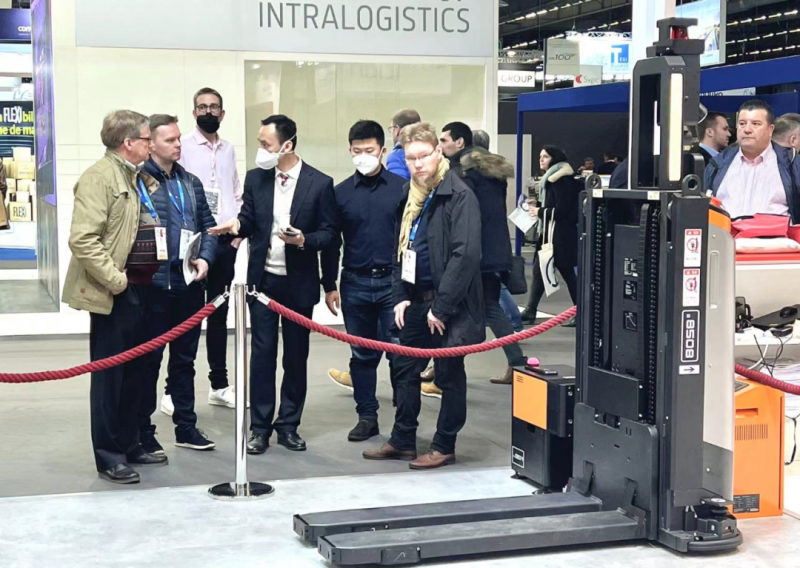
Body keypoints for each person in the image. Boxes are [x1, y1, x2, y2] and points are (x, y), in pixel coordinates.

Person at [210, 115, 336, 454]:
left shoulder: (320, 183)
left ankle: (289, 425)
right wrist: (236, 225)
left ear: (287, 145)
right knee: (262, 356)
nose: (261, 149)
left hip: (299, 284)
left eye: (266, 144)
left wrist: (304, 241)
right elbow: (250, 220)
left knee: (295, 357)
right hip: (261, 283)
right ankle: (260, 428)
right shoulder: (256, 178)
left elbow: (329, 234)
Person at [362, 122, 483, 470]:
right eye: (411, 158)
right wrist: (400, 294)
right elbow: (401, 249)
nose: (417, 164)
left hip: (450, 304)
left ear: (438, 152)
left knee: (448, 376)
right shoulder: (410, 194)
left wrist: (441, 307)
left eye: (424, 156)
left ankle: (444, 445)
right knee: (404, 369)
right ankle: (403, 440)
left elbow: (465, 255)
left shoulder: (459, 195)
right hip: (415, 299)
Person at [63, 110, 166, 484]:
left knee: (137, 373)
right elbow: (83, 240)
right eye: (146, 138)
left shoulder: (136, 176)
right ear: (129, 142)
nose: (151, 144)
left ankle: (130, 443)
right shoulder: (99, 178)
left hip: (143, 287)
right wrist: (116, 281)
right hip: (117, 292)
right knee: (111, 377)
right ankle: (109, 455)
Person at [322, 120, 406, 441]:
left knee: (399, 353)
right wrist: (329, 284)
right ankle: (367, 417)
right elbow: (332, 242)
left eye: (369, 150)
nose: (363, 156)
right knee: (361, 354)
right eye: (357, 151)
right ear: (349, 151)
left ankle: (404, 420)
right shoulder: (340, 193)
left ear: (382, 150)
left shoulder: (402, 189)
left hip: (393, 284)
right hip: (354, 282)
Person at [140, 114, 218, 453]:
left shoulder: (191, 183)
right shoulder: (139, 182)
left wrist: (206, 258)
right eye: (169, 140)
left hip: (188, 285)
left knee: (185, 362)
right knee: (149, 362)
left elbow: (209, 227)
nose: (177, 144)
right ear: (151, 144)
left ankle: (186, 427)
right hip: (154, 287)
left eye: (178, 139)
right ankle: (143, 431)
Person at [176, 87, 243, 413]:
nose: (208, 112)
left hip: (226, 243)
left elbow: (235, 191)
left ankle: (219, 385)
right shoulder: (183, 147)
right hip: (195, 243)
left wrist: (238, 231)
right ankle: (174, 391)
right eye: (202, 107)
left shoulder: (228, 149)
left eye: (214, 107)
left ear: (222, 113)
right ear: (194, 113)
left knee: (219, 315)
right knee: (187, 317)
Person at [449, 130, 527, 384]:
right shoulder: (495, 174)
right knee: (487, 306)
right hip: (496, 249)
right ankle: (516, 361)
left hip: (476, 251)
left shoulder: (467, 174)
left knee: (472, 307)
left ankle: (444, 366)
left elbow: (466, 214)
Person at [706, 99, 800, 222]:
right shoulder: (718, 164)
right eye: (742, 123)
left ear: (770, 130)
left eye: (755, 124)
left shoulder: (792, 164)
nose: (747, 129)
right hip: (726, 233)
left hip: (775, 234)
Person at [520, 146, 581, 325]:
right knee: (541, 270)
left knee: (565, 272)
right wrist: (539, 205)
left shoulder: (560, 180)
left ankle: (581, 311)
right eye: (541, 156)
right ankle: (531, 309)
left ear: (555, 158)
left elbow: (563, 210)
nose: (541, 159)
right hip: (551, 233)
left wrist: (539, 211)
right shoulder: (554, 179)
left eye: (545, 156)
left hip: (559, 235)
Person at [386, 109, 421, 180]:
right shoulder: (429, 151)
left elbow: (397, 184)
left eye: (392, 129)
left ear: (397, 129)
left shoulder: (396, 156)